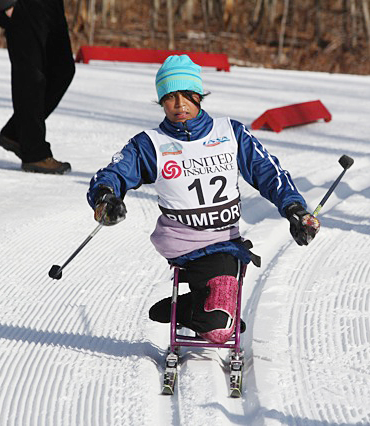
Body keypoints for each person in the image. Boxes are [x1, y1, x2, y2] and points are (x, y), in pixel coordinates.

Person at [87, 55, 320, 343]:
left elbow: (268, 172)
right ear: (161, 101)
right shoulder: (151, 143)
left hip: (224, 241)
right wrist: (105, 196)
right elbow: (115, 173)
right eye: (170, 97)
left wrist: (294, 208)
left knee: (220, 327)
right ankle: (205, 310)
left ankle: (190, 309)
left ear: (199, 96)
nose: (179, 104)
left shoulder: (230, 132)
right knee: (221, 326)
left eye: (187, 95)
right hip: (180, 241)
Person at [0, 0, 74, 174]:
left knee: (63, 70)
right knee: (31, 78)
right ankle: (34, 154)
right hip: (23, 5)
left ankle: (15, 133)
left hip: (51, 6)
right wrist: (4, 4)